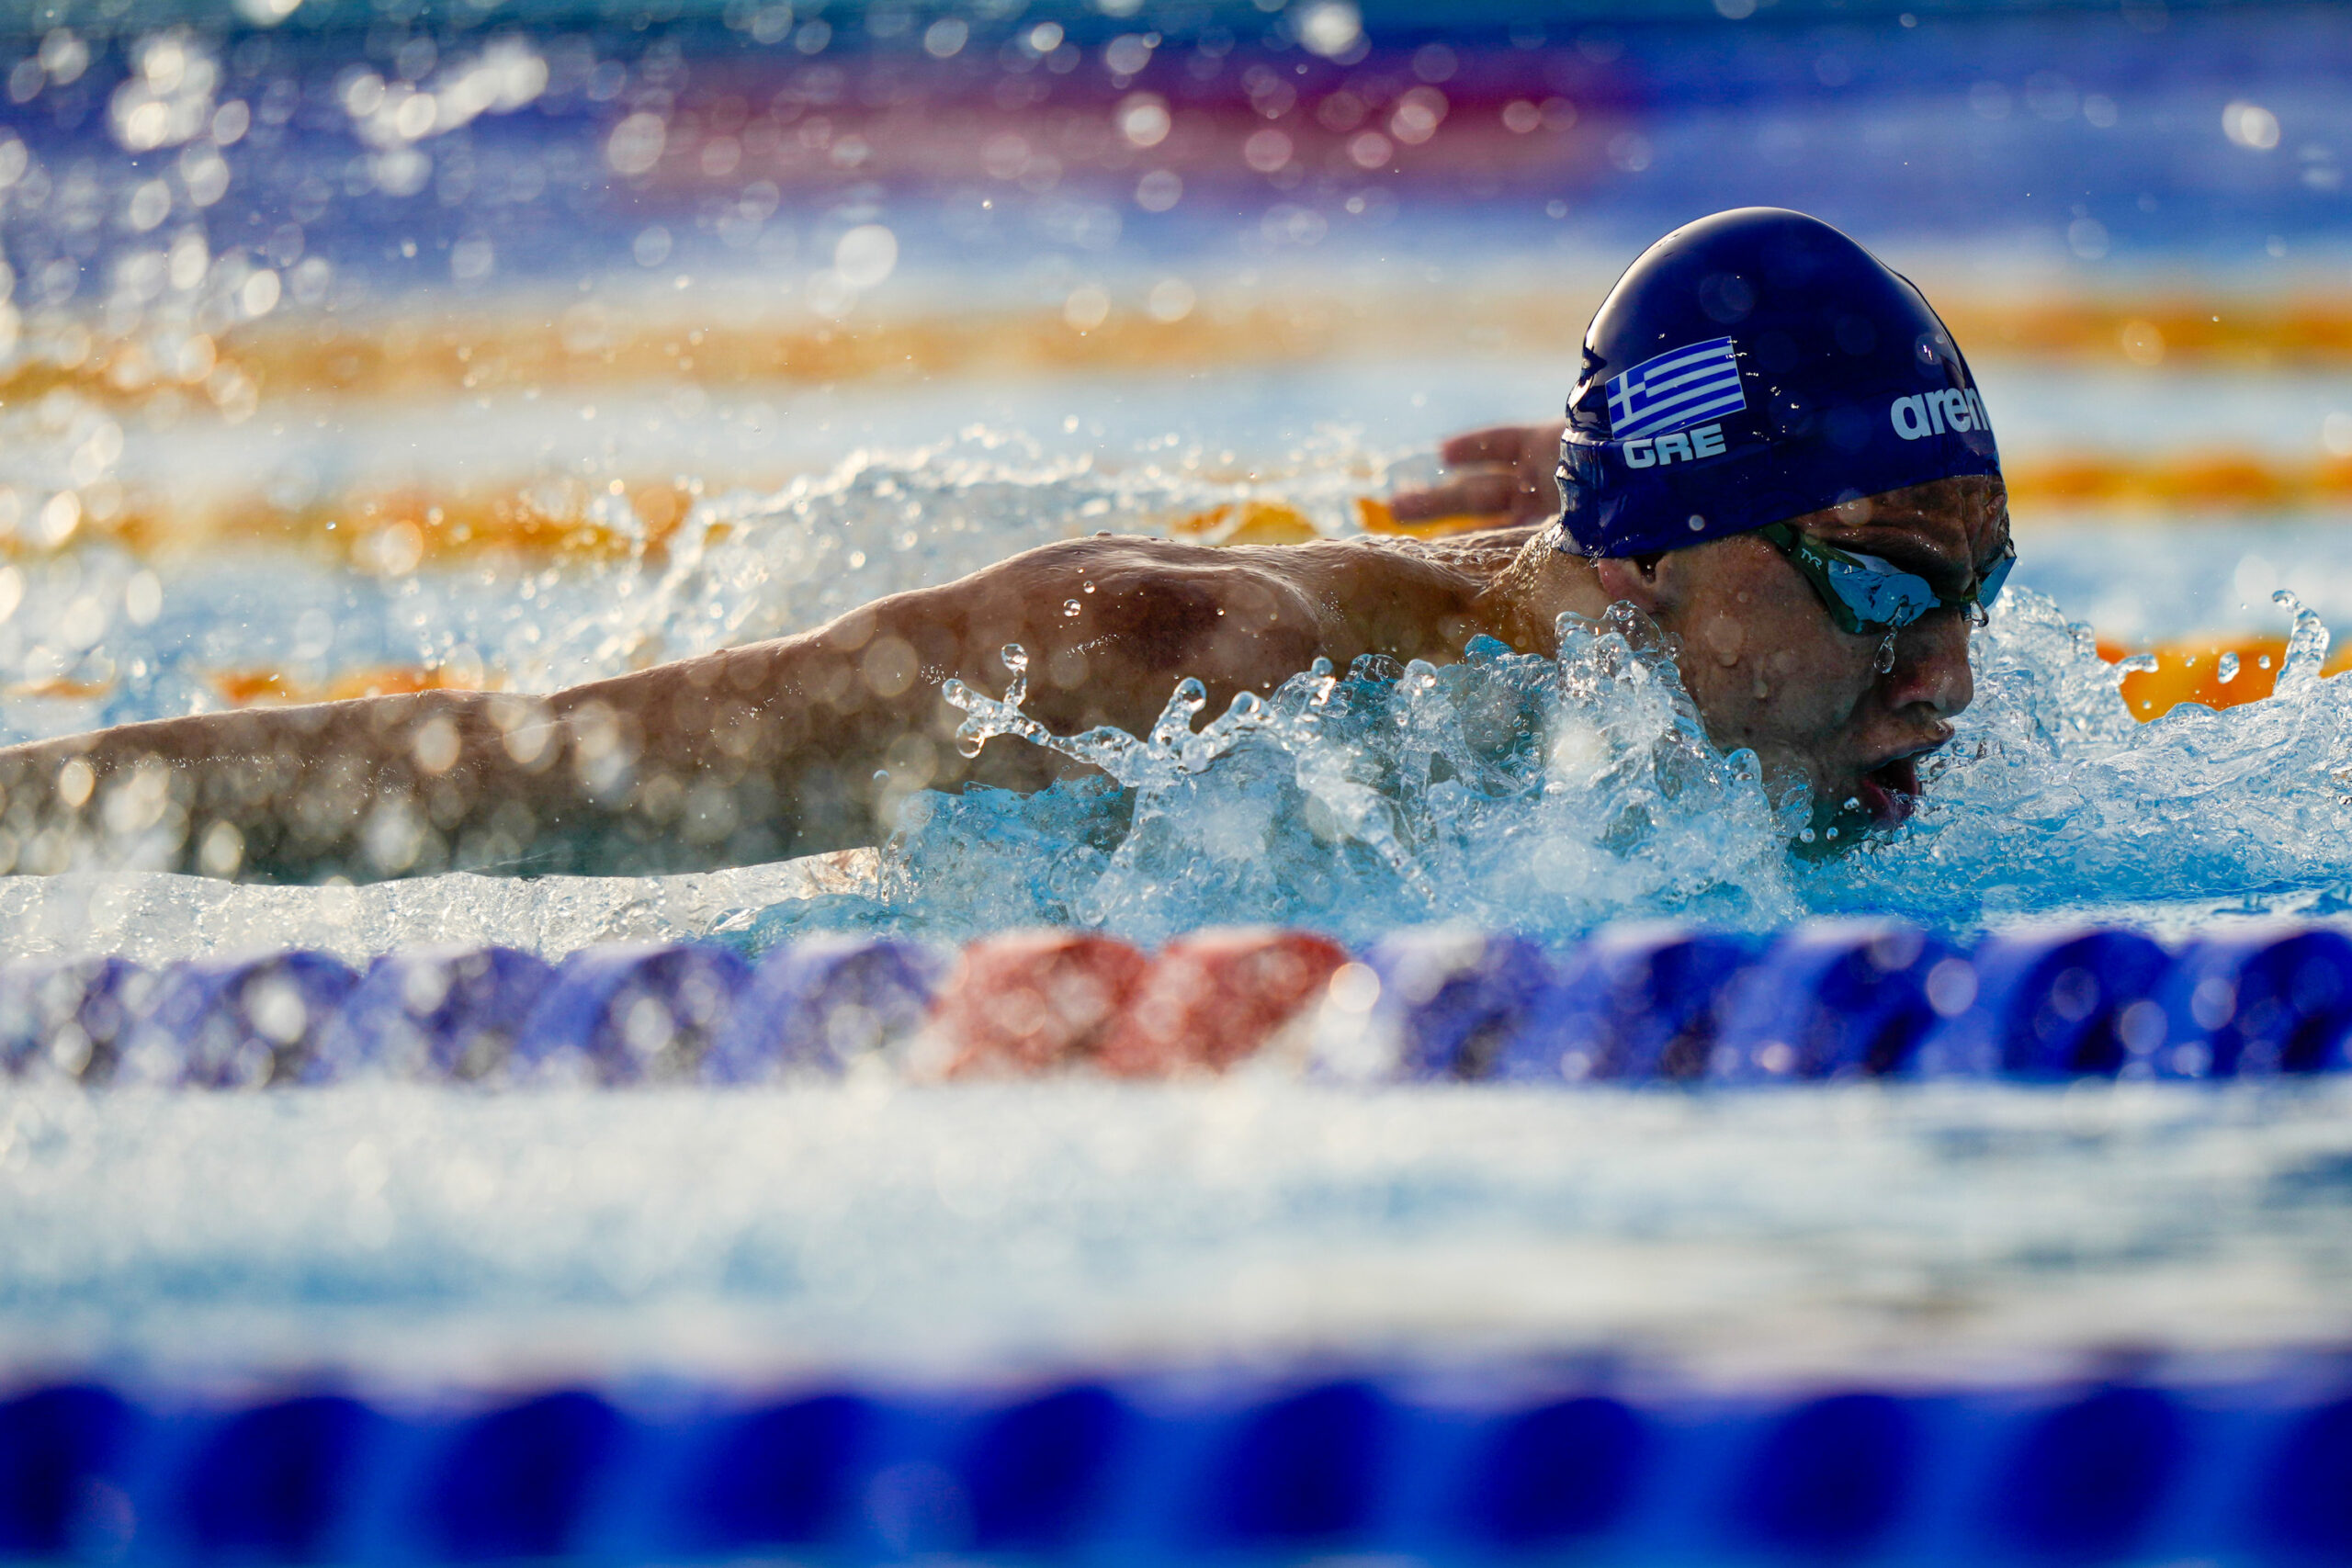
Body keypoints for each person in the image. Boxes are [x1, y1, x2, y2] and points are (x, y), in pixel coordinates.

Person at [0, 208, 2011, 884]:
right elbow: (525, 775)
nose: (1946, 676)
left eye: (1970, 590)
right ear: (1649, 563)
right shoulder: (1164, 658)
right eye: (1873, 587)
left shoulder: (1655, 637)